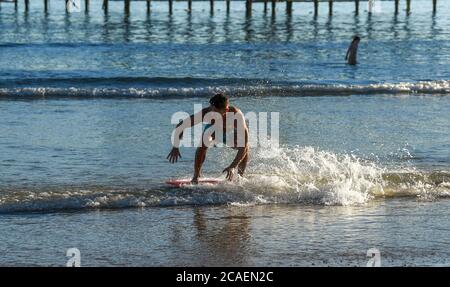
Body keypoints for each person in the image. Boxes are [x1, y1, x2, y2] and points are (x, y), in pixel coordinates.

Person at [167, 93, 249, 183]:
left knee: (245, 147)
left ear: (226, 110)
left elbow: (244, 146)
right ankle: (196, 175)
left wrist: (233, 166)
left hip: (230, 133)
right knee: (203, 142)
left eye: (215, 112)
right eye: (212, 110)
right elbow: (181, 125)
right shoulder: (207, 112)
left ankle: (240, 176)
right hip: (213, 130)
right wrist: (175, 146)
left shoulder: (236, 115)